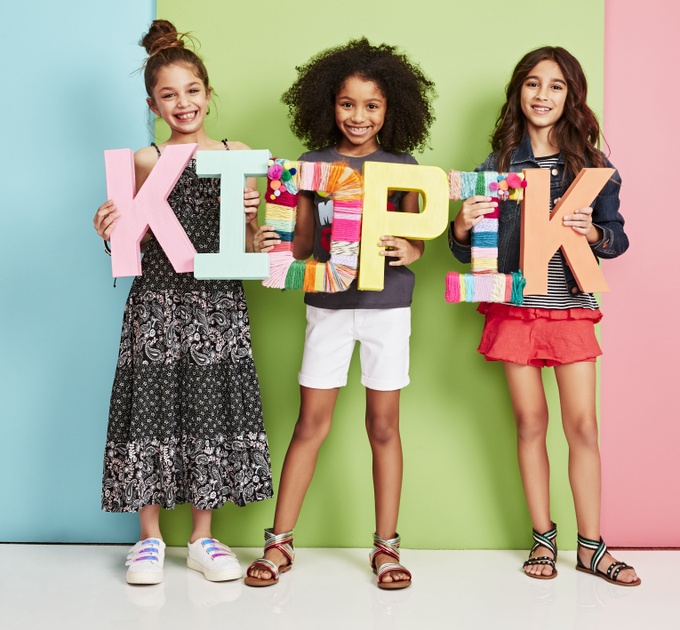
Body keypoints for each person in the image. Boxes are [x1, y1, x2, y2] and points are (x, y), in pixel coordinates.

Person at [244, 38, 436, 590]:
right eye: (348, 103)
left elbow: (414, 237)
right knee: (311, 423)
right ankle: (280, 543)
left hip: (386, 307)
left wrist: (413, 250)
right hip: (326, 306)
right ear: (329, 104)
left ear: (391, 109)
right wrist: (268, 238)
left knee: (384, 426)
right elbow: (302, 245)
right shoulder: (311, 166)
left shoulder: (403, 167)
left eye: (372, 105)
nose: (359, 116)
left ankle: (386, 548)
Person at [449, 46, 640, 586]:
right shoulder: (497, 167)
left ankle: (592, 546)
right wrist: (461, 226)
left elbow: (617, 239)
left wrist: (594, 233)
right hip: (515, 310)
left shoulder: (596, 167)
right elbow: (467, 253)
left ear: (571, 97)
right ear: (518, 93)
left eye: (555, 86)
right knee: (530, 424)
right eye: (533, 84)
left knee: (583, 425)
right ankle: (542, 540)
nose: (542, 95)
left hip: (570, 310)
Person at [93, 19, 272, 586]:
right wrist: (110, 229)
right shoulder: (145, 161)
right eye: (169, 95)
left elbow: (248, 248)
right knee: (152, 408)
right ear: (153, 104)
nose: (183, 103)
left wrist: (251, 221)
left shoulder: (237, 154)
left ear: (209, 94)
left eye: (192, 91)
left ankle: (202, 536)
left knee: (208, 410)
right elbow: (132, 244)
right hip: (160, 302)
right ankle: (149, 540)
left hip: (218, 304)